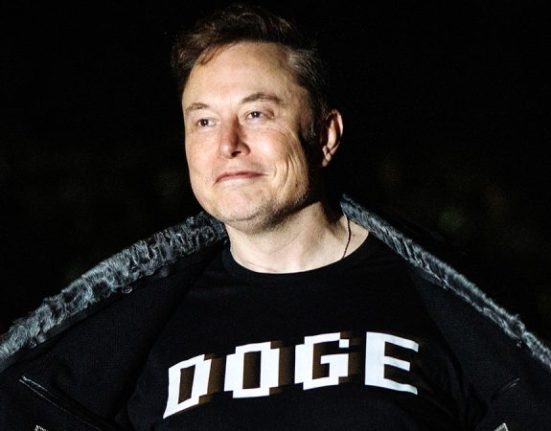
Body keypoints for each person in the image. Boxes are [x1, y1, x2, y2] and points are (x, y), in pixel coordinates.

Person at [1, 3, 550, 430]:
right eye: (204, 121)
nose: (228, 144)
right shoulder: (131, 333)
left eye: (257, 113)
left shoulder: (445, 303)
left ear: (326, 135)